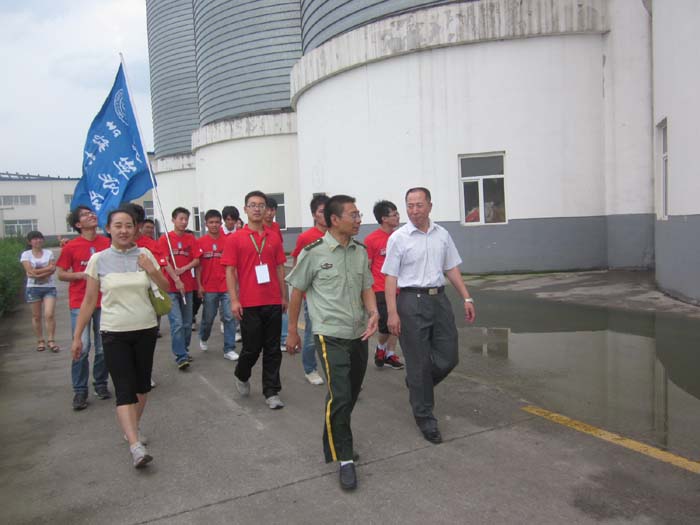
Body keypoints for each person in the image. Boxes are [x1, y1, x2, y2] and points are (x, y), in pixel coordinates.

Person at [286, 194, 379, 491]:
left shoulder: (360, 251)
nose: (359, 219)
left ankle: (337, 438)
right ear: (335, 219)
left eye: (359, 214)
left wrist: (373, 312)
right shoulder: (313, 253)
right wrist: (292, 331)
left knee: (349, 394)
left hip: (358, 333)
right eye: (354, 214)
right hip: (329, 335)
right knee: (339, 395)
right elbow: (297, 292)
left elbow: (367, 287)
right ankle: (345, 457)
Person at [70, 208, 169, 468]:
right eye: (118, 225)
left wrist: (151, 270)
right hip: (114, 333)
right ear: (109, 229)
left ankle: (132, 429)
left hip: (146, 329)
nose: (124, 230)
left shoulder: (145, 255)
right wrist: (77, 336)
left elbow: (166, 286)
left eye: (128, 225)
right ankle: (136, 446)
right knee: (124, 388)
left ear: (135, 228)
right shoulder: (99, 260)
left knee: (142, 387)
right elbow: (89, 300)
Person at [382, 187, 476, 445]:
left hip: (439, 300)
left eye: (419, 205)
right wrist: (392, 313)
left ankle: (417, 384)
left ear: (430, 206)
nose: (414, 211)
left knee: (449, 356)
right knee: (419, 362)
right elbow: (390, 277)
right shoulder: (398, 238)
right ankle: (425, 419)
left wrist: (466, 297)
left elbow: (451, 268)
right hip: (411, 301)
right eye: (409, 206)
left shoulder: (442, 234)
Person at [222, 191, 288, 409]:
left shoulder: (273, 237)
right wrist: (234, 300)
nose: (257, 209)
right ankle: (241, 374)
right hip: (249, 302)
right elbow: (230, 271)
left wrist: (283, 296)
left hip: (273, 300)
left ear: (267, 209)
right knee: (251, 348)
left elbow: (279, 268)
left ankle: (271, 391)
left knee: (273, 349)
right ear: (245, 209)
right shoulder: (235, 239)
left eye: (261, 205)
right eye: (253, 205)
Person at [57, 206, 111, 410]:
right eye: (85, 215)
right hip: (80, 303)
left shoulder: (107, 243)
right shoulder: (71, 247)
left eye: (92, 213)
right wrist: (82, 275)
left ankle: (101, 383)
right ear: (78, 224)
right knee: (82, 346)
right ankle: (80, 390)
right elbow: (61, 274)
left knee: (103, 346)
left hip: (104, 301)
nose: (91, 215)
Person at [289, 194, 329, 385]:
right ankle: (310, 369)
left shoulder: (338, 233)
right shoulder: (306, 237)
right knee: (313, 336)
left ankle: (337, 372)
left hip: (333, 295)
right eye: (321, 211)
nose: (326, 214)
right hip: (313, 296)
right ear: (314, 215)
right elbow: (297, 263)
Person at [158, 207, 201, 370]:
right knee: (177, 322)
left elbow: (197, 259)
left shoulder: (191, 238)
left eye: (186, 219)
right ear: (173, 220)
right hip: (171, 288)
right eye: (180, 219)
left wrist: (183, 269)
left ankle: (185, 349)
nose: (183, 222)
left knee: (187, 323)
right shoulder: (165, 239)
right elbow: (164, 261)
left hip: (188, 287)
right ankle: (181, 356)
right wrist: (176, 279)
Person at [364, 200, 404, 370]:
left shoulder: (400, 237)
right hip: (380, 289)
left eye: (397, 213)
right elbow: (367, 267)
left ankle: (389, 354)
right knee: (386, 325)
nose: (398, 217)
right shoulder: (371, 239)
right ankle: (380, 348)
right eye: (394, 214)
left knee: (398, 323)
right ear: (384, 218)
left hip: (400, 288)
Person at [196, 209, 238, 361]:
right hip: (209, 287)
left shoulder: (229, 241)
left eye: (217, 222)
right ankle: (203, 336)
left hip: (226, 286)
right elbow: (198, 266)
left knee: (229, 317)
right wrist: (199, 285)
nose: (214, 225)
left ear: (221, 223)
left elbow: (233, 265)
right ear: (206, 224)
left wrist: (236, 284)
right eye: (211, 222)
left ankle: (229, 348)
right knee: (208, 317)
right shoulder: (200, 242)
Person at [20, 231, 58, 353]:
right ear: (29, 241)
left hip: (49, 287)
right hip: (33, 288)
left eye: (40, 238)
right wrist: (46, 270)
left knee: (49, 314)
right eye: (35, 239)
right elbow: (29, 271)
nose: (38, 241)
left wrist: (37, 274)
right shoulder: (26, 254)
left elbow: (53, 269)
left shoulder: (49, 253)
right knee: (36, 316)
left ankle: (51, 340)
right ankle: (40, 340)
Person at [263, 196, 287, 350]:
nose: (270, 213)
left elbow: (279, 250)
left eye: (272, 210)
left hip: (275, 270)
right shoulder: (257, 227)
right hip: (260, 272)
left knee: (282, 304)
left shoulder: (276, 227)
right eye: (267, 209)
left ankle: (283, 338)